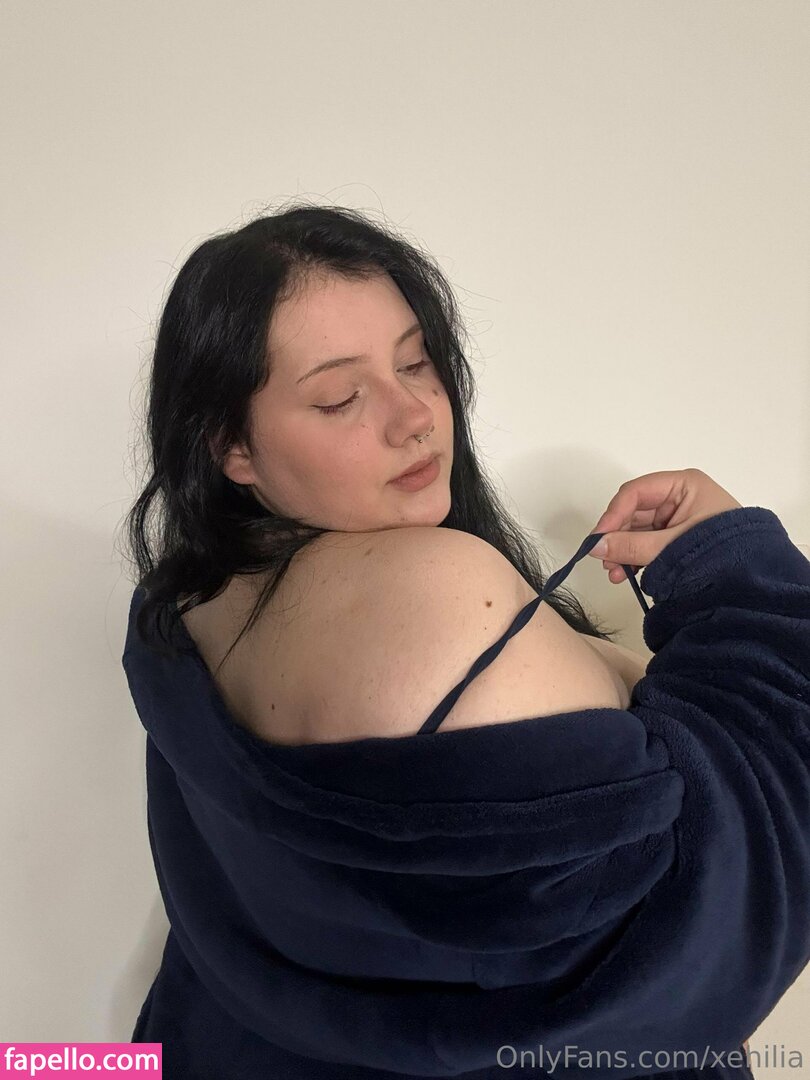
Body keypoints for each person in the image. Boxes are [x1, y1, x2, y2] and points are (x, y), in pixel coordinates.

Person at [120, 204, 808, 1078]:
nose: (415, 415)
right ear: (232, 448)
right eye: (340, 397)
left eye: (416, 362)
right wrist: (735, 571)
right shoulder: (440, 589)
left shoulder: (183, 602)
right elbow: (711, 925)